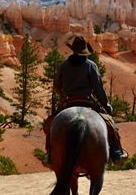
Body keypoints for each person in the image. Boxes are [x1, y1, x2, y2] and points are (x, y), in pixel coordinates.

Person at [44, 35, 128, 164]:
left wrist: (62, 96)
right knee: (110, 125)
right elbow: (98, 88)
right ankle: (116, 152)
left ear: (73, 50)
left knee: (50, 125)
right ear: (84, 52)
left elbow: (56, 85)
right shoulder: (91, 65)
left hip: (67, 102)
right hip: (87, 101)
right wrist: (106, 105)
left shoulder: (64, 65)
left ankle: (50, 155)